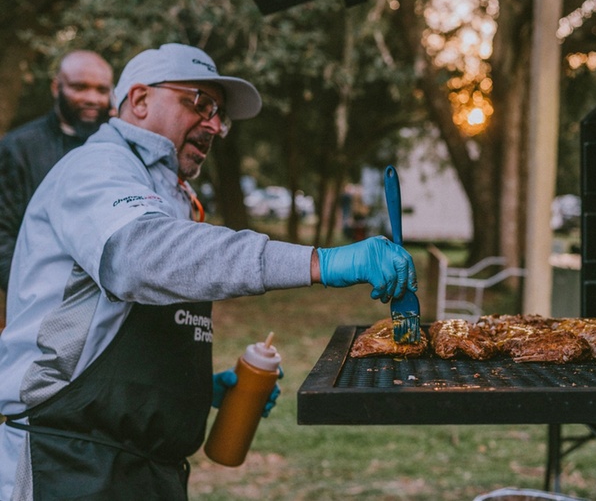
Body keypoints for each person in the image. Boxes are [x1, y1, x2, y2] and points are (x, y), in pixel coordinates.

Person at [0, 43, 417, 500]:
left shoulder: (167, 194)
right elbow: (140, 258)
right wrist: (319, 261)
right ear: (139, 101)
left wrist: (190, 390)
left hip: (146, 468)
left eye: (220, 113)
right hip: (66, 460)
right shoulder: (96, 166)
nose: (216, 125)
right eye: (199, 102)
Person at [0, 50, 114, 331]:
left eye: (101, 90)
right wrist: (33, 295)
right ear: (56, 87)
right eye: (79, 87)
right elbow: (2, 235)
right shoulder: (18, 148)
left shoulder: (119, 148)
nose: (91, 98)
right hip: (37, 311)